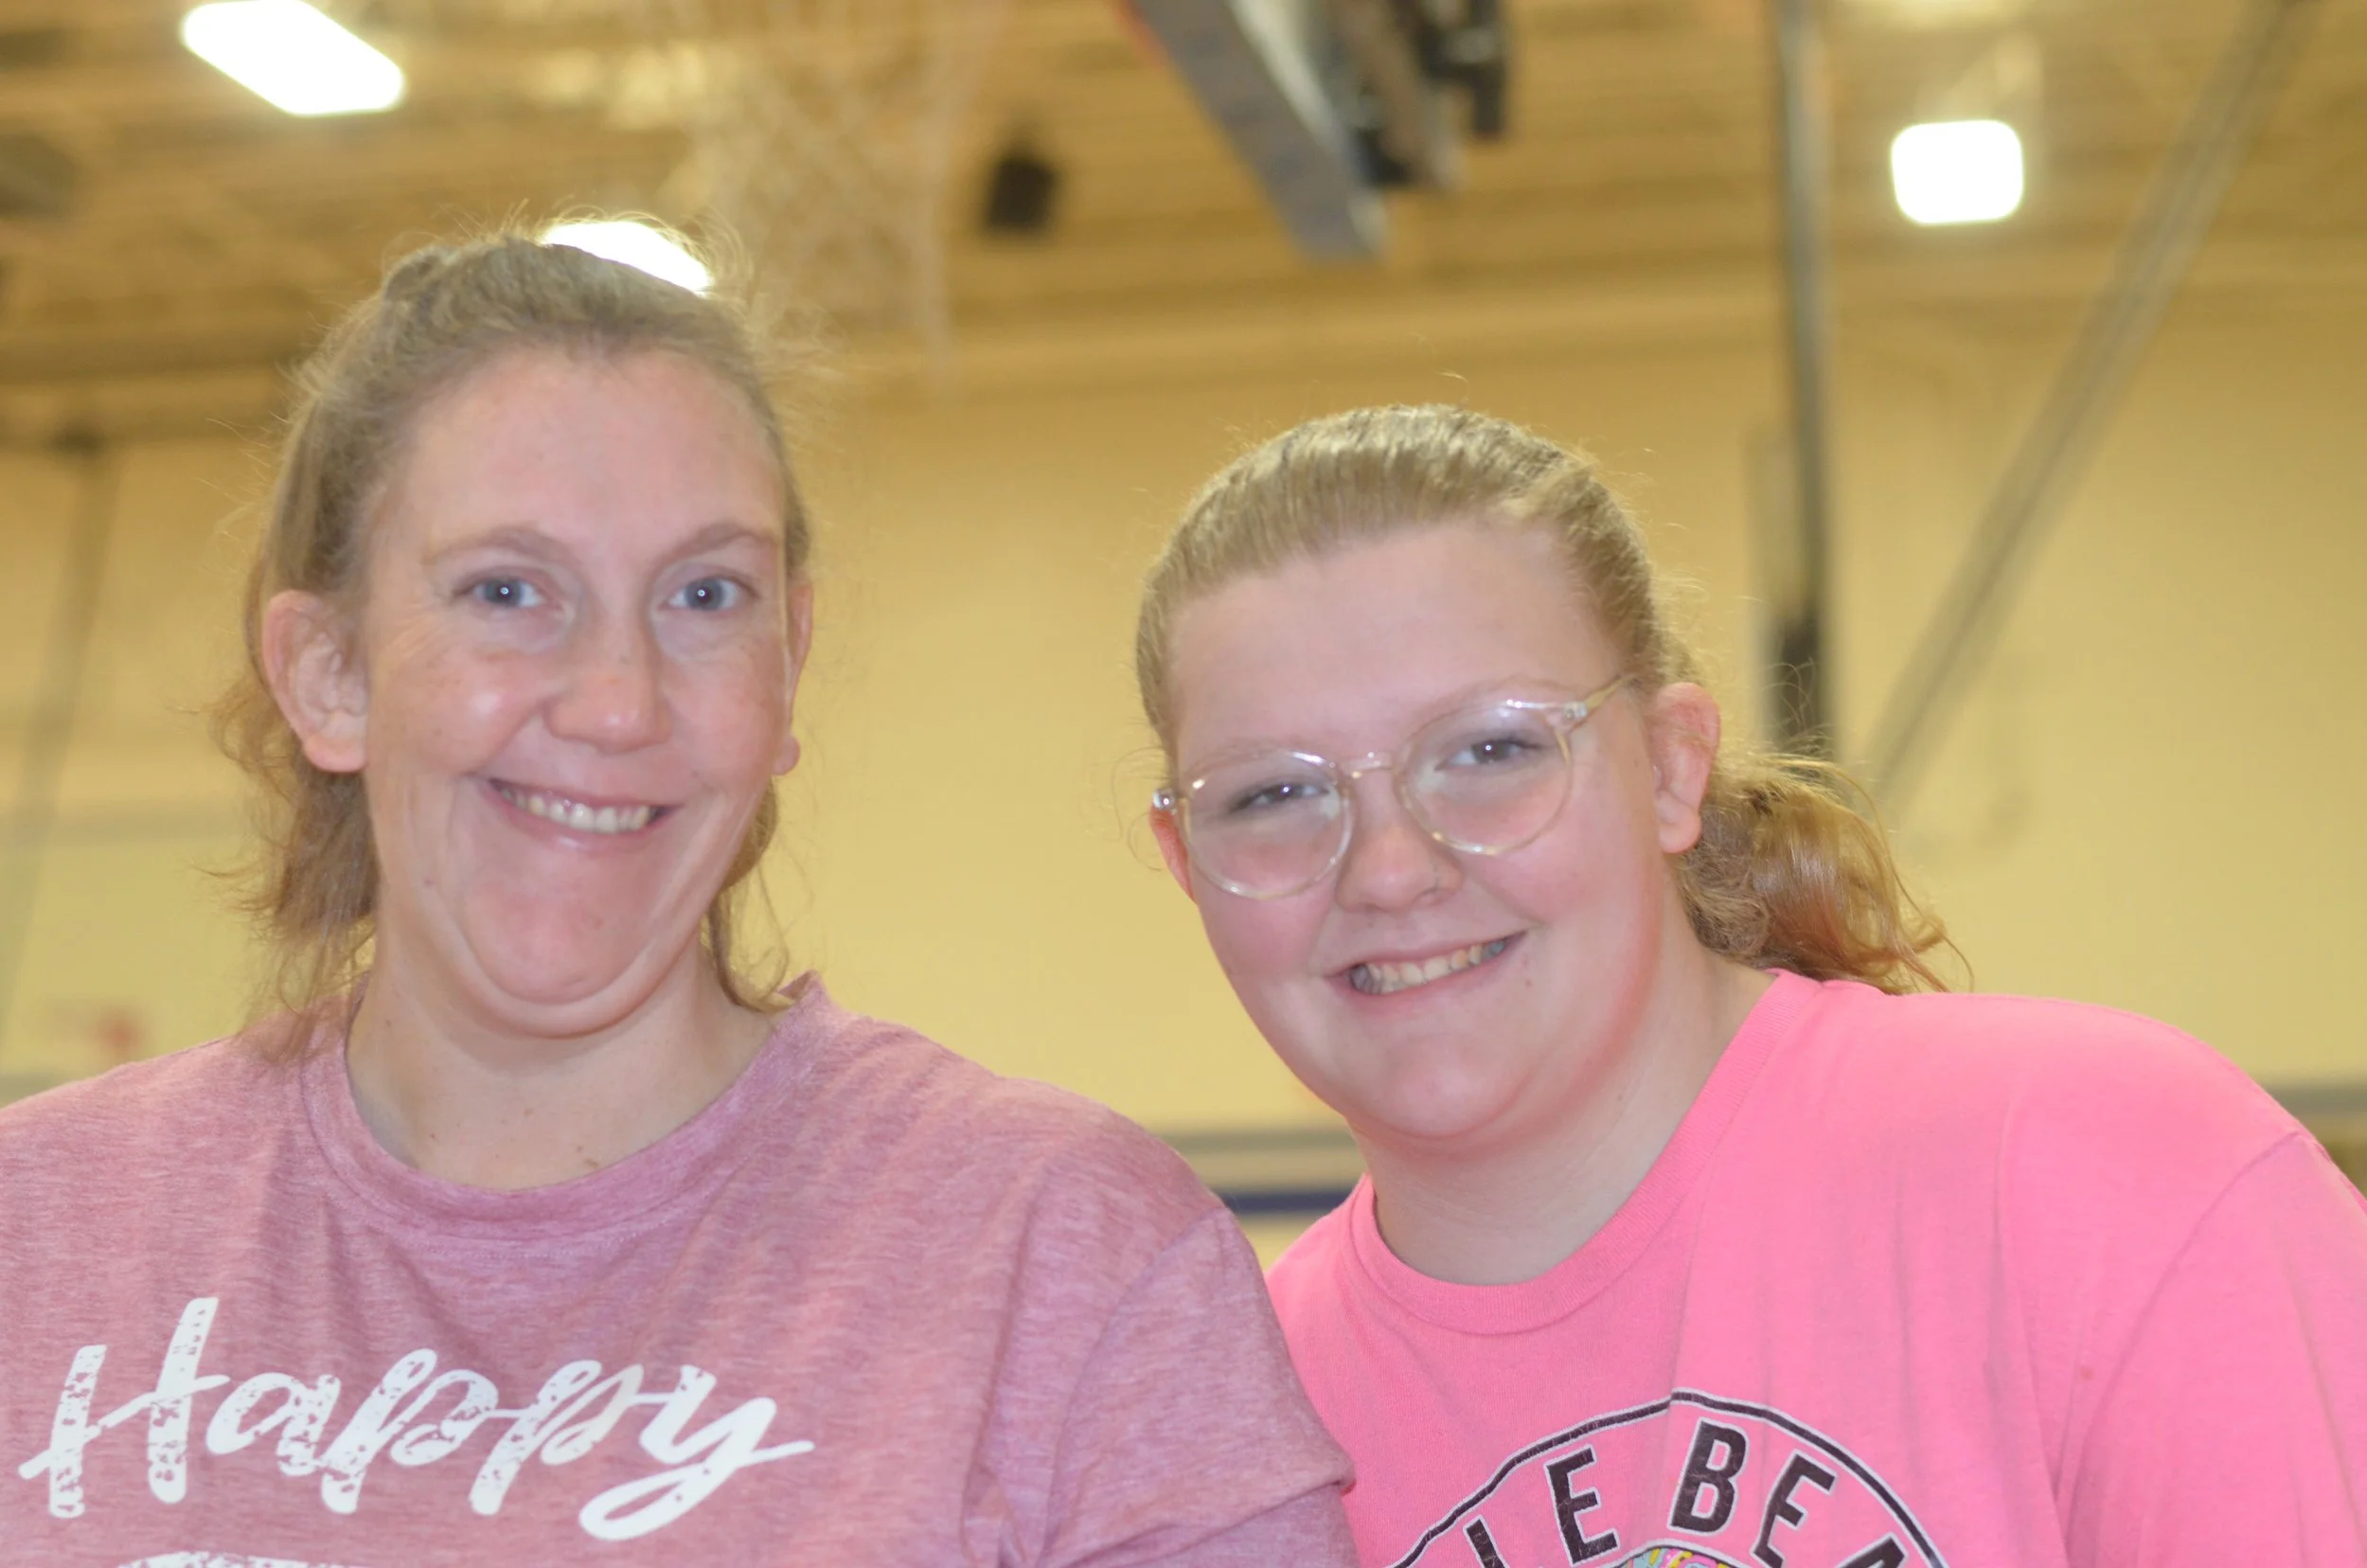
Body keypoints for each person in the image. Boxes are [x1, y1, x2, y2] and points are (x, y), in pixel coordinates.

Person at [0, 232, 1354, 1564]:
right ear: (328, 674)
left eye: (706, 595)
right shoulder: (38, 1230)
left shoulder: (1066, 1256)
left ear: (788, 662)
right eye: (508, 590)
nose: (618, 702)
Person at [1131, 403, 2367, 1568]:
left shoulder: (2109, 1173)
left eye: (1491, 749)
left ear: (1671, 768)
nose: (1391, 869)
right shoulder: (1238, 1442)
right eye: (1274, 794)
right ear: (1186, 862)